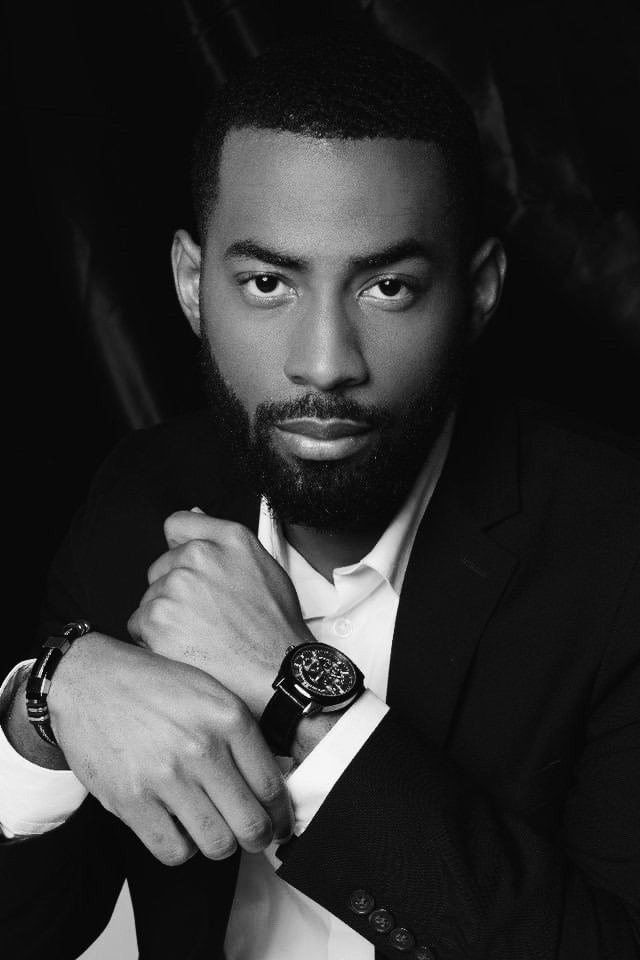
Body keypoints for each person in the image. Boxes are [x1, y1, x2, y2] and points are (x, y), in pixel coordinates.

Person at [1, 33, 639, 960]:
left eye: (388, 287)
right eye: (268, 283)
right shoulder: (141, 493)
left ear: (478, 293)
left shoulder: (616, 550)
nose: (326, 363)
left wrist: (300, 697)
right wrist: (45, 708)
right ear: (192, 285)